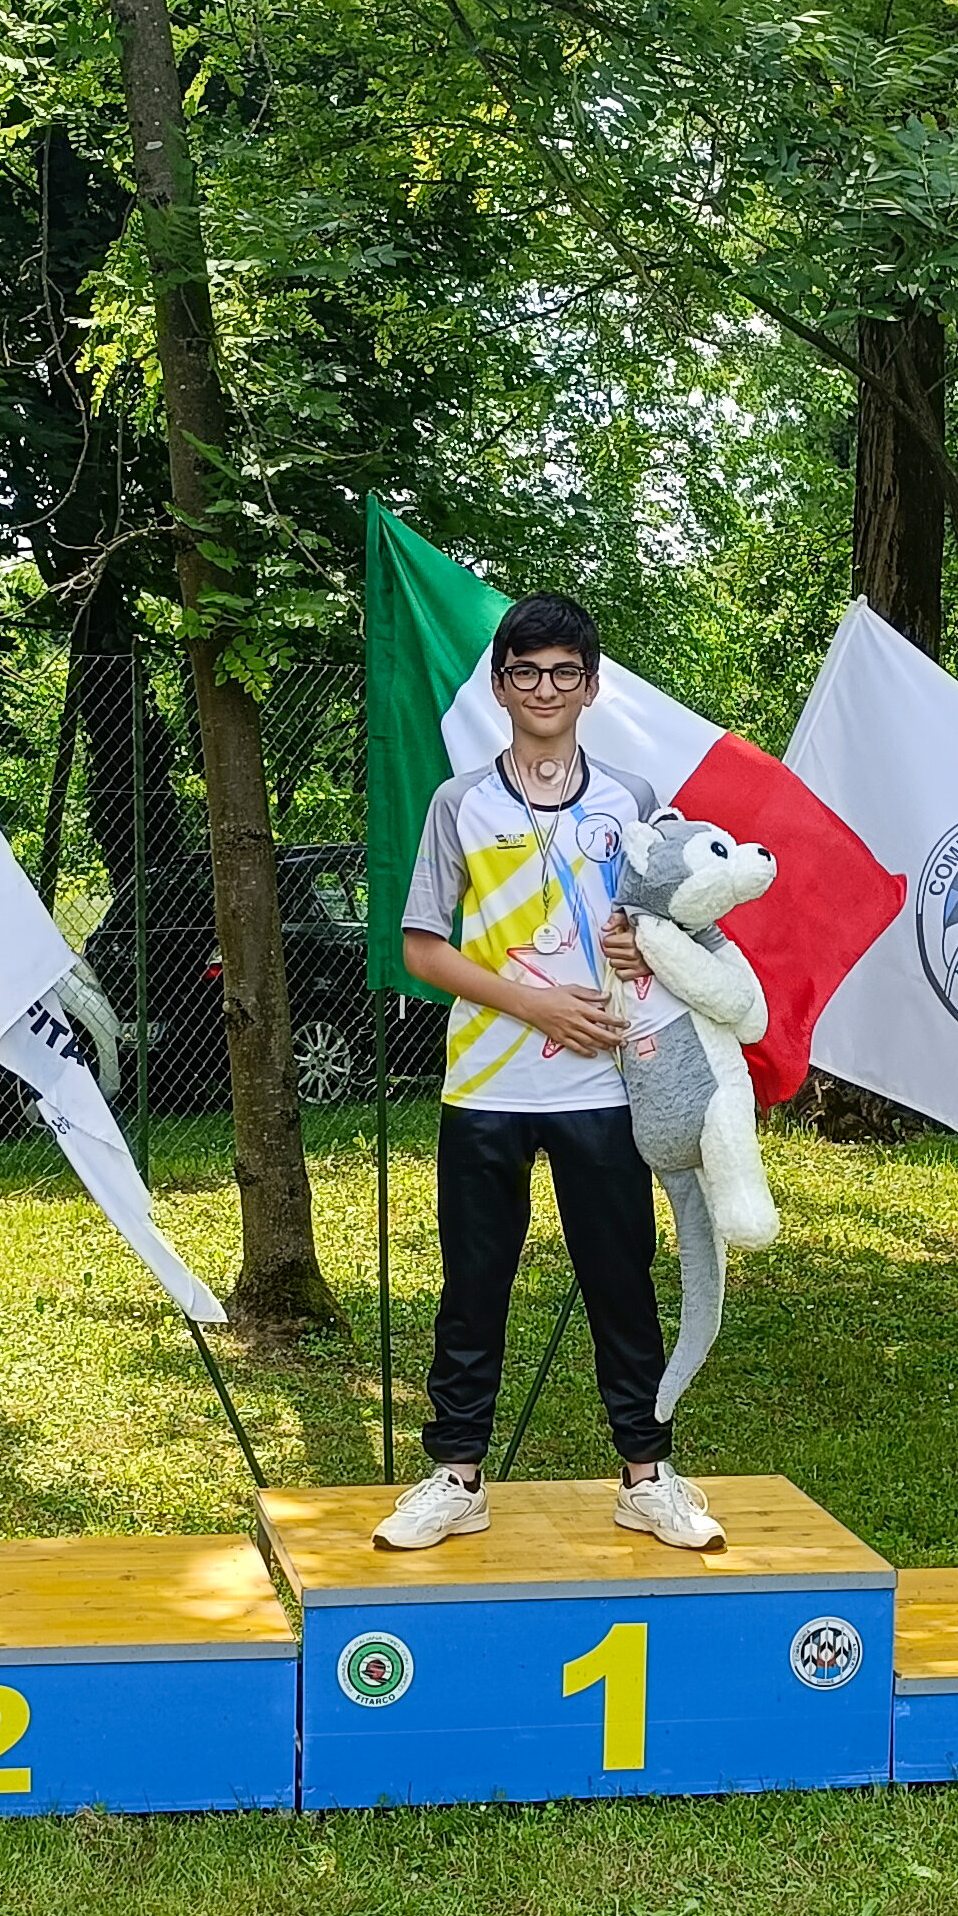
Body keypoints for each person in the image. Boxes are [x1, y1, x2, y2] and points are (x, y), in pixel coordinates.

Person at [375, 591, 725, 1554]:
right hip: (485, 1085)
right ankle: (457, 1477)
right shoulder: (460, 803)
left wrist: (643, 948)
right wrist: (536, 1006)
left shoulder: (633, 801)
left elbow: (671, 921)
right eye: (525, 672)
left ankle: (646, 1477)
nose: (544, 689)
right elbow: (420, 949)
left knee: (622, 1281)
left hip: (605, 1085)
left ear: (591, 686)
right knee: (473, 1285)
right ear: (499, 686)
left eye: (564, 672)